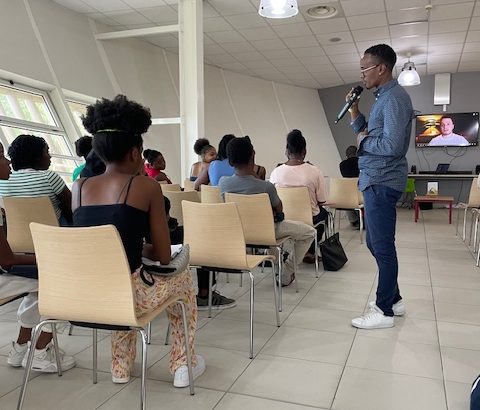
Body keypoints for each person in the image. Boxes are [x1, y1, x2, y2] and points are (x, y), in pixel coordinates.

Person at [73, 95, 205, 386]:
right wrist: (142, 248)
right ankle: (183, 365)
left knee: (120, 276)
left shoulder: (78, 187)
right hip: (130, 296)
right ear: (135, 153)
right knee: (183, 279)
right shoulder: (146, 186)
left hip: (87, 294)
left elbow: (96, 242)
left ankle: (120, 368)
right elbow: (164, 256)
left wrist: (130, 248)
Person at [347, 44, 412, 329]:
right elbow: (367, 133)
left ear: (381, 68)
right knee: (375, 243)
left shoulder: (394, 99)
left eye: (365, 68)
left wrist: (363, 142)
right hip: (374, 179)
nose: (362, 74)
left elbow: (392, 146)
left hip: (382, 180)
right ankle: (395, 300)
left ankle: (384, 311)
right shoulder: (383, 98)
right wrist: (354, 110)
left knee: (383, 247)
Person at [0, 143, 75, 373]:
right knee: (69, 282)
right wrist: (51, 258)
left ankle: (21, 347)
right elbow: (73, 208)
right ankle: (40, 352)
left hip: (17, 250)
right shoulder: (49, 178)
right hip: (29, 254)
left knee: (41, 285)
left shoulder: (3, 186)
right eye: (1, 156)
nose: (8, 162)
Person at [219, 137, 316, 287]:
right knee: (309, 232)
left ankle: (278, 266)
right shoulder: (266, 187)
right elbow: (279, 211)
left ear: (230, 161)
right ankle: (286, 271)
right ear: (252, 156)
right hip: (267, 232)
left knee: (270, 231)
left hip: (240, 234)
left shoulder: (223, 183)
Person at [269, 129, 328, 264]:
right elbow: (322, 200)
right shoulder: (315, 171)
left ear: (287, 151)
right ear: (304, 151)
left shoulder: (275, 172)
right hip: (309, 218)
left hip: (284, 218)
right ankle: (309, 251)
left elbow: (272, 200)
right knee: (324, 215)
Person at [0, 135, 72, 225]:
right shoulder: (49, 177)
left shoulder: (2, 182)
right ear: (37, 156)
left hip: (19, 233)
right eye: (47, 152)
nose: (50, 156)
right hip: (54, 230)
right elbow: (72, 207)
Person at [339, 145, 360, 228]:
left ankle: (353, 220)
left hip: (348, 194)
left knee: (346, 196)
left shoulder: (342, 165)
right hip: (361, 192)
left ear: (346, 155)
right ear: (357, 153)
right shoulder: (362, 162)